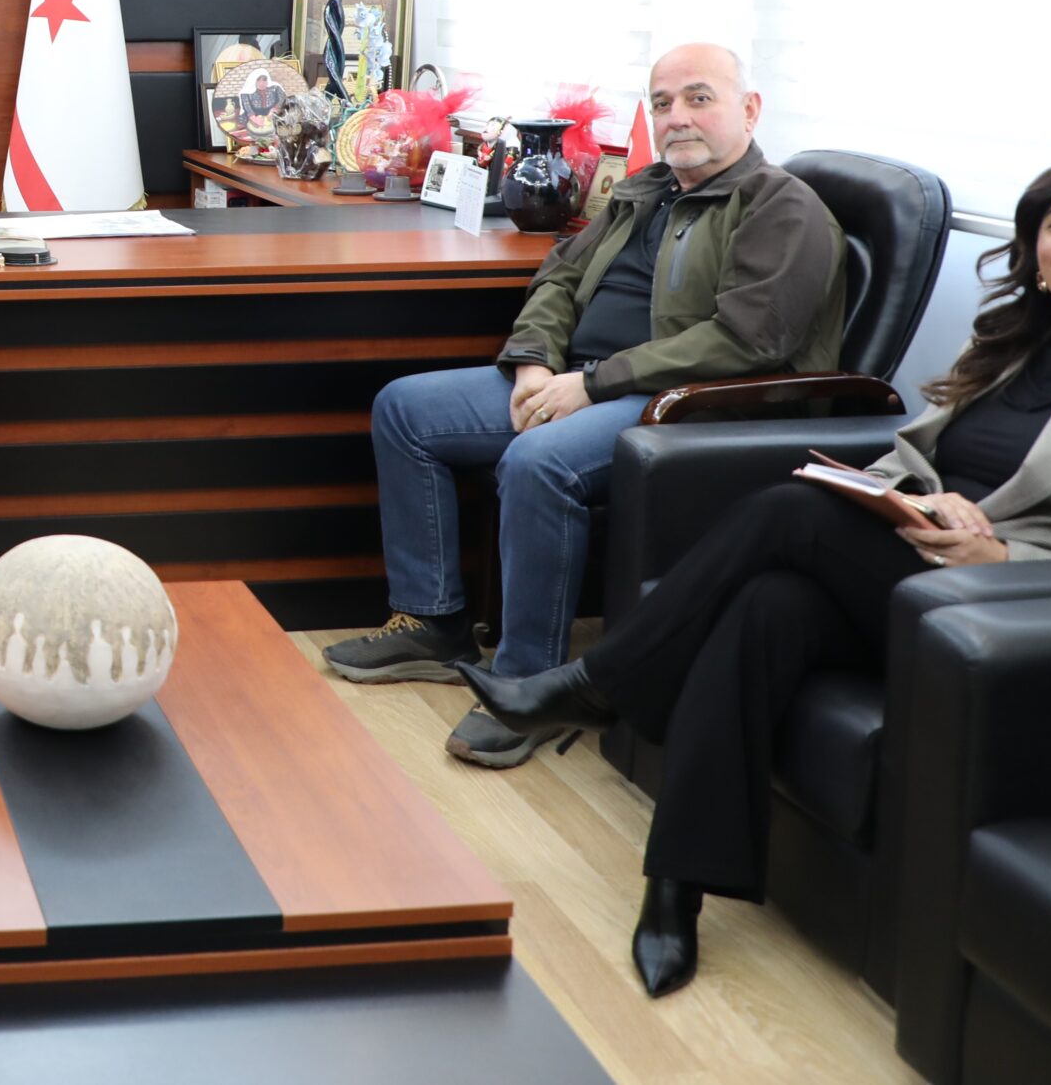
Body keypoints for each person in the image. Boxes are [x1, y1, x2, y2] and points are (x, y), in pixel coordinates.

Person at [456, 151, 1051, 997]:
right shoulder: (1008, 345)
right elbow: (911, 459)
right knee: (766, 606)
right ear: (1035, 247)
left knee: (788, 513)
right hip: (922, 580)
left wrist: (1004, 559)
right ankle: (674, 893)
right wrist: (900, 502)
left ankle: (597, 686)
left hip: (1027, 626)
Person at [325, 44, 849, 770]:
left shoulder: (782, 207)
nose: (677, 116)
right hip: (577, 378)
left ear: (750, 109)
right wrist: (534, 360)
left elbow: (747, 340)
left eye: (699, 98)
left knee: (538, 461)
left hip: (681, 404)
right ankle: (434, 622)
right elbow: (558, 277)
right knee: (406, 410)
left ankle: (528, 682)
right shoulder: (644, 190)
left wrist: (593, 384)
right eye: (662, 103)